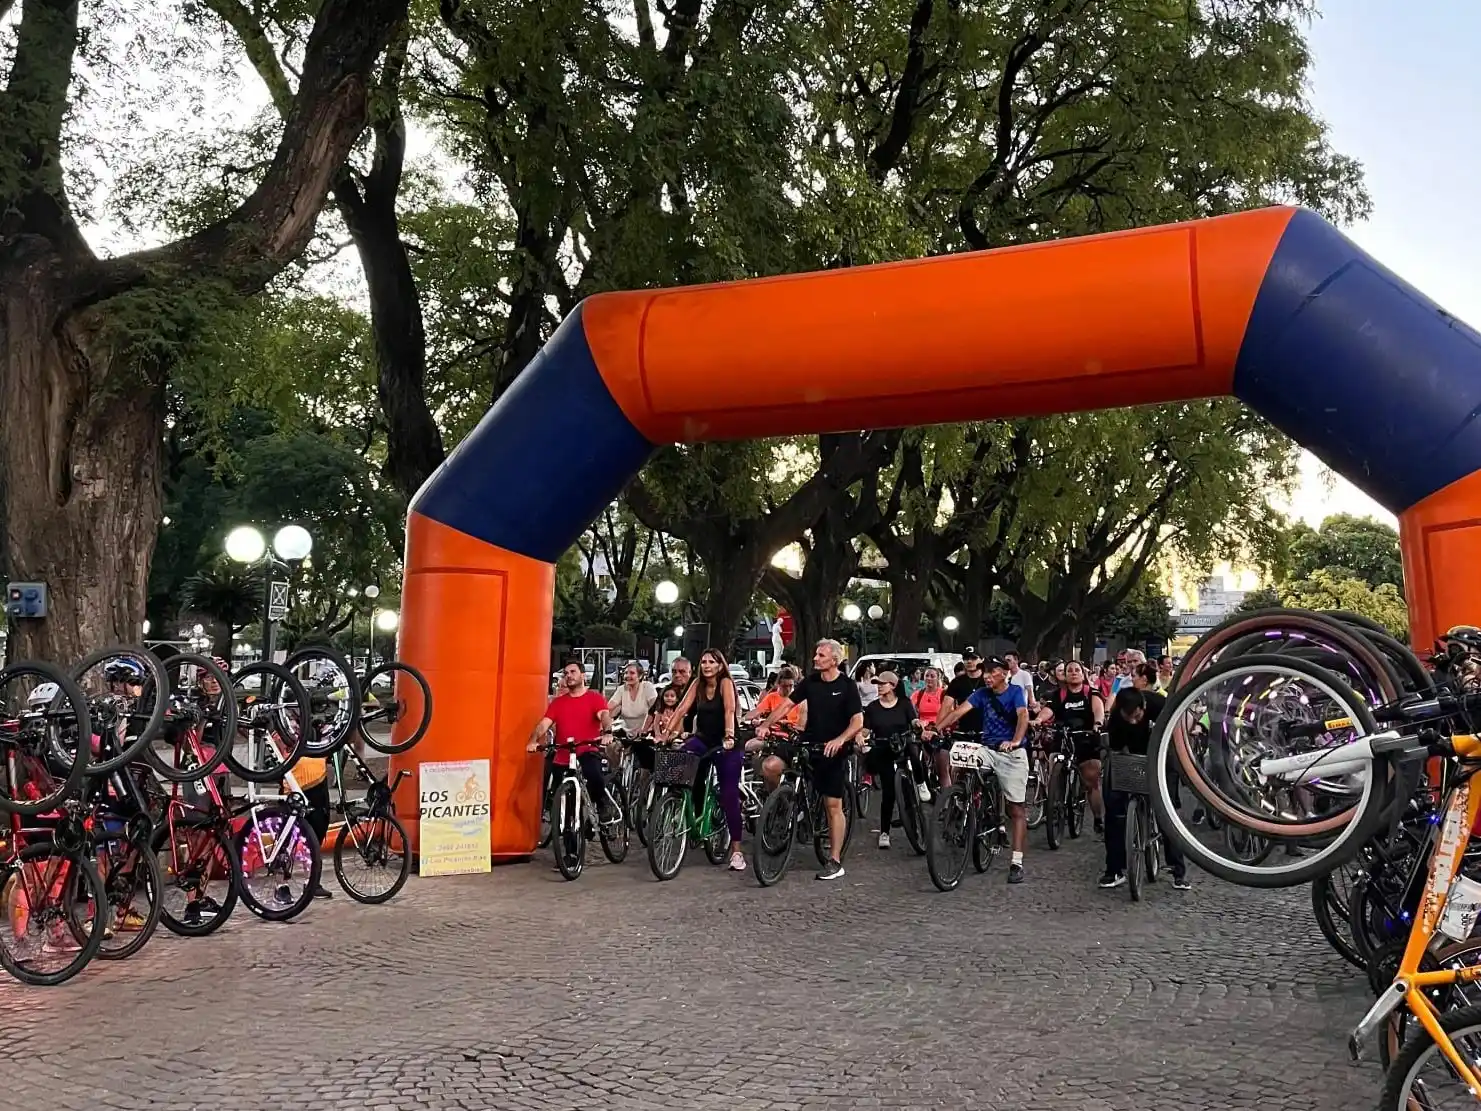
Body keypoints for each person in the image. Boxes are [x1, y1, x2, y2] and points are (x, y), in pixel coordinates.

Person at [754, 639, 863, 881]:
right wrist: (765, 724)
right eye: (816, 654)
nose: (815, 658)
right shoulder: (810, 683)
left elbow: (857, 721)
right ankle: (785, 806)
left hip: (833, 749)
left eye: (821, 655)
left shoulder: (847, 686)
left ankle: (834, 861)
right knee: (774, 764)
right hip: (808, 741)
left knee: (832, 805)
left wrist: (840, 740)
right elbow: (786, 705)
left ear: (835, 660)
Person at [932, 655, 1031, 883]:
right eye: (985, 671)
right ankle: (962, 798)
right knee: (960, 759)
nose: (987, 676)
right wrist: (935, 729)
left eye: (992, 672)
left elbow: (1023, 716)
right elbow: (958, 712)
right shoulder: (981, 694)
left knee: (1015, 809)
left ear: (1005, 673)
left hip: (1010, 752)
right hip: (987, 747)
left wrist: (1015, 740)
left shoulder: (1015, 692)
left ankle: (1016, 862)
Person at [661, 649, 745, 871]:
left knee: (729, 794)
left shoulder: (725, 683)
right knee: (681, 763)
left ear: (719, 665)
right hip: (703, 738)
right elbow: (681, 709)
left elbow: (729, 709)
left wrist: (729, 735)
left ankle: (736, 851)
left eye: (711, 662)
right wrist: (666, 733)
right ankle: (693, 815)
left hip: (727, 742)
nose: (707, 665)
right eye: (704, 661)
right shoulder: (697, 683)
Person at [1099, 686, 1190, 890]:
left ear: (1144, 707)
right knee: (1114, 810)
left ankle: (1178, 870)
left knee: (1167, 812)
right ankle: (1113, 869)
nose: (1132, 721)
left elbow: (1178, 732)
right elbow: (1116, 748)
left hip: (1164, 755)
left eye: (1137, 716)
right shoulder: (1116, 719)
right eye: (1127, 717)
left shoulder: (1160, 706)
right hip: (1132, 757)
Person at [526, 660, 615, 823]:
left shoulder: (594, 698)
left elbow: (604, 716)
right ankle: (568, 831)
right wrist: (533, 740)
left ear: (583, 675)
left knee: (593, 774)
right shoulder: (559, 703)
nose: (568, 676)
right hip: (564, 754)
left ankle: (602, 804)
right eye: (566, 673)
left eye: (572, 672)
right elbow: (544, 724)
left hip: (587, 750)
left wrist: (608, 732)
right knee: (559, 790)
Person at [1035, 659, 1107, 833]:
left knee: (1091, 781)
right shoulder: (1057, 694)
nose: (1073, 673)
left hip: (1086, 737)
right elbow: (1048, 711)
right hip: (1063, 736)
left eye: (1077, 670)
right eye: (1070, 671)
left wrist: (1097, 723)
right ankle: (1055, 798)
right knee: (1053, 761)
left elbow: (1098, 710)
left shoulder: (1091, 693)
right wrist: (1038, 719)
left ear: (1083, 674)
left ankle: (1098, 818)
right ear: (1065, 676)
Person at [861, 671, 926, 848]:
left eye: (883, 683)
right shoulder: (873, 707)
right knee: (888, 792)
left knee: (908, 791)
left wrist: (917, 725)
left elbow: (913, 720)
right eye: (877, 683)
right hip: (883, 750)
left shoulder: (904, 703)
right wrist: (860, 736)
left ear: (893, 685)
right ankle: (884, 832)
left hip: (902, 747)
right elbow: (866, 729)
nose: (879, 686)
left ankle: (920, 787)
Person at [936, 647, 986, 788]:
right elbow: (946, 706)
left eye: (973, 658)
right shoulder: (957, 682)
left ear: (981, 660)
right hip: (963, 731)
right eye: (966, 658)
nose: (969, 661)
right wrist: (936, 727)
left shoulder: (988, 680)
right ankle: (955, 799)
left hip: (987, 731)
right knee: (956, 768)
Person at [608, 662, 658, 736]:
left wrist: (646, 729)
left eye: (632, 673)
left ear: (640, 676)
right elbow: (608, 707)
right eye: (626, 673)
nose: (627, 675)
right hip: (625, 734)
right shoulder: (621, 689)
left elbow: (657, 709)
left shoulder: (647, 687)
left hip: (645, 733)